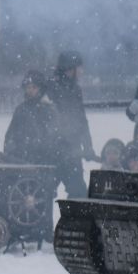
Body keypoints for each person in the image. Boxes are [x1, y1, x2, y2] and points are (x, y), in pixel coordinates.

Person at [45, 50, 93, 198]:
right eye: (79, 67)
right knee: (45, 192)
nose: (81, 71)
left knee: (78, 192)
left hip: (71, 150)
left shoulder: (74, 89)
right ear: (70, 68)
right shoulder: (52, 87)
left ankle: (75, 221)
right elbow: (52, 119)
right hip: (55, 151)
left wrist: (87, 146)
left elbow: (81, 120)